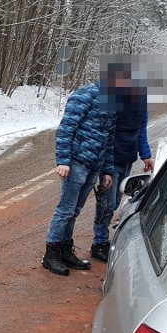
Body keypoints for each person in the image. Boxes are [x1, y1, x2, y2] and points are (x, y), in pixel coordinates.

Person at [42, 81, 115, 276]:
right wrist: (63, 161)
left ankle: (65, 250)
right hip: (75, 162)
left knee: (74, 211)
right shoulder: (85, 94)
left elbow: (109, 138)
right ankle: (51, 254)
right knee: (65, 210)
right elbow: (66, 127)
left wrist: (106, 170)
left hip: (94, 165)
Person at [90, 89, 154, 263]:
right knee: (106, 203)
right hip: (111, 159)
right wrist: (106, 168)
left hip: (127, 159)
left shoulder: (142, 104)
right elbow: (106, 135)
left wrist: (146, 155)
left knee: (115, 202)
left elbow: (141, 131)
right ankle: (99, 243)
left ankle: (102, 240)